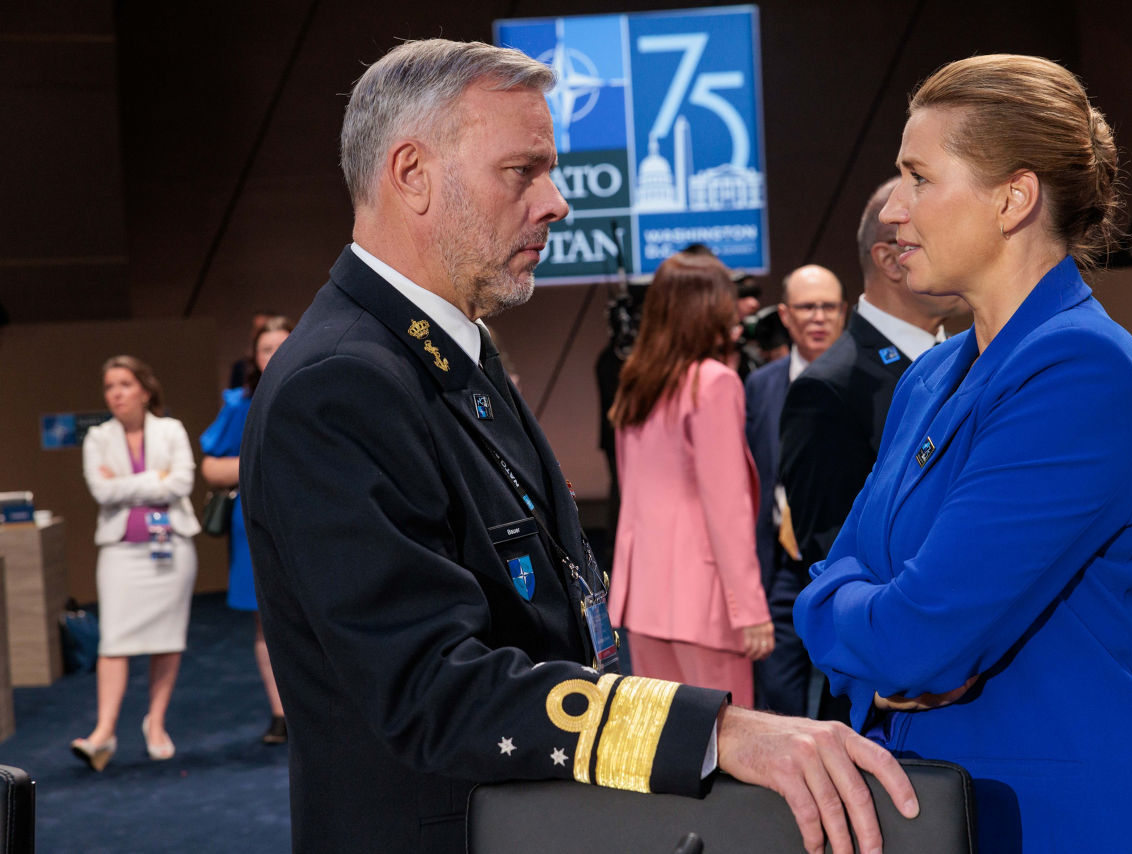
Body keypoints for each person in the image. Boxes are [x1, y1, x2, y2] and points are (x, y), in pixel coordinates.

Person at [238, 39, 917, 854]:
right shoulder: (342, 383)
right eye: (522, 172)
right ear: (412, 174)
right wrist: (712, 730)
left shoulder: (446, 353)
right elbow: (430, 688)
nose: (556, 202)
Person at [794, 54, 1132, 852]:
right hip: (946, 809)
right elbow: (830, 586)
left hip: (1073, 819)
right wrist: (872, 626)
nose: (895, 208)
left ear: (1013, 198)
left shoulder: (1082, 368)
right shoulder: (931, 373)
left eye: (919, 176)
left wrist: (875, 629)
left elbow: (914, 637)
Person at [609, 250, 774, 705]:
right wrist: (750, 609)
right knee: (724, 748)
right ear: (709, 309)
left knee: (666, 749)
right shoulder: (714, 382)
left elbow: (632, 495)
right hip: (704, 603)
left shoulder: (637, 382)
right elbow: (727, 507)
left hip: (642, 599)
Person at [780, 178, 963, 573]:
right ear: (890, 260)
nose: (965, 250)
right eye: (944, 235)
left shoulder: (975, 357)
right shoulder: (828, 388)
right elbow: (831, 557)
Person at [72, 355, 200, 770]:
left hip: (172, 552)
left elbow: (182, 481)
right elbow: (101, 492)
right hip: (120, 553)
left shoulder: (171, 430)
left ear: (145, 390)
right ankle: (104, 731)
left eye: (125, 384)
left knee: (167, 639)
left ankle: (156, 723)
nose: (117, 394)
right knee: (113, 642)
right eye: (110, 387)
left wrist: (126, 484)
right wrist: (155, 481)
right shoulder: (97, 439)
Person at [743, 264, 846, 715]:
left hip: (847, 561)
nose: (819, 317)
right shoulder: (760, 385)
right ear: (785, 316)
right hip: (780, 565)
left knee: (846, 697)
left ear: (844, 312)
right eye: (807, 307)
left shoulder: (870, 381)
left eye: (828, 306)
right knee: (778, 700)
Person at [200, 314, 293, 744]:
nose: (274, 355)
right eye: (266, 348)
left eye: (281, 344)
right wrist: (263, 462)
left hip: (313, 518)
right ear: (254, 358)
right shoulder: (240, 404)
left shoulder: (318, 384)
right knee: (266, 622)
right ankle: (281, 713)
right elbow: (211, 466)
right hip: (255, 522)